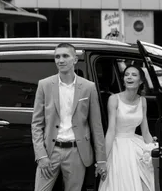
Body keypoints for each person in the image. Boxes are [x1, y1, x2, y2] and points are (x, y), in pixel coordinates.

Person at [31, 43, 107, 191]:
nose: (60, 60)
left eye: (65, 56)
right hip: (50, 150)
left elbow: (96, 126)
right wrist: (41, 155)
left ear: (75, 59)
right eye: (57, 56)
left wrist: (101, 159)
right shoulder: (44, 85)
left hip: (76, 151)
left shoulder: (88, 87)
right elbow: (36, 124)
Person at [98, 65, 157, 191]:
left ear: (141, 81)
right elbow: (111, 131)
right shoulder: (114, 99)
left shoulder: (143, 101)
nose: (129, 77)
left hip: (136, 145)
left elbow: (145, 131)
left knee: (146, 184)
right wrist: (102, 159)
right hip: (117, 147)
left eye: (134, 75)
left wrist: (154, 149)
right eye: (126, 75)